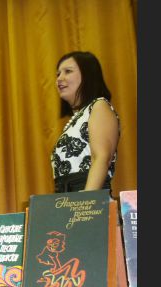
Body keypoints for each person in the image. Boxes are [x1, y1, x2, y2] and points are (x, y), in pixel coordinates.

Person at [52, 51, 120, 194]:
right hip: (67, 199)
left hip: (88, 198)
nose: (59, 78)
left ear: (87, 75)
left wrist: (86, 201)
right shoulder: (79, 116)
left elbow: (101, 157)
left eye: (68, 71)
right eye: (58, 74)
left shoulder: (99, 106)